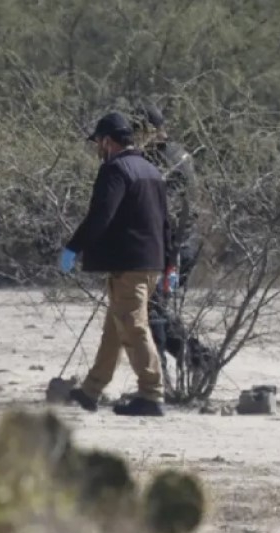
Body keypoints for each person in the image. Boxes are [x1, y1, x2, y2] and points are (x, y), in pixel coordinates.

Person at [59, 111, 172, 417]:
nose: (97, 148)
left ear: (107, 141)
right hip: (150, 262)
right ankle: (90, 391)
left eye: (98, 142)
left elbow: (101, 215)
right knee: (115, 327)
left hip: (129, 263)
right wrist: (169, 264)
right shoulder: (150, 169)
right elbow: (165, 222)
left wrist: (74, 247)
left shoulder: (115, 170)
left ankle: (151, 394)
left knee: (133, 326)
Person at [134, 102, 215, 385]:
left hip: (172, 247)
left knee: (152, 310)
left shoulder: (160, 160)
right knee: (154, 309)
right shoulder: (177, 154)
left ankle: (166, 374)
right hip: (181, 244)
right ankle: (196, 360)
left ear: (152, 130)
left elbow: (165, 209)